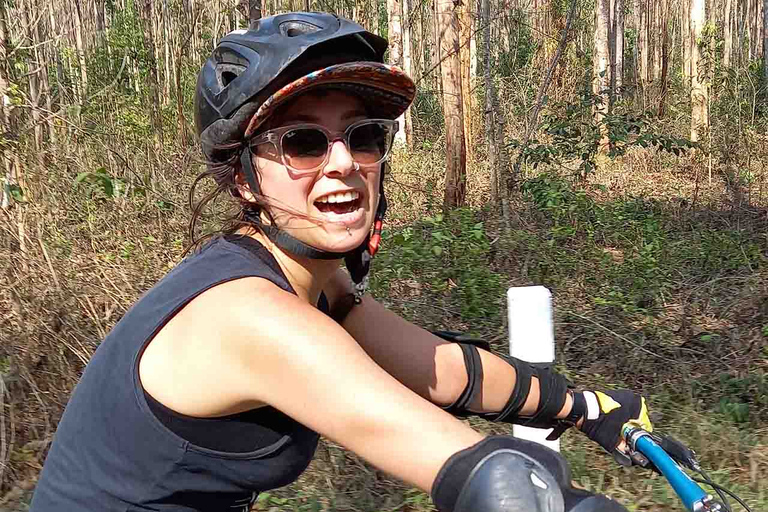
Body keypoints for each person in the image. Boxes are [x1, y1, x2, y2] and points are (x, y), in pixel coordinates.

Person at [30, 12, 653, 512]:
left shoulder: (321, 290)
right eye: (301, 141)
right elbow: (495, 483)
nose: (342, 162)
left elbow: (449, 371)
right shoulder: (249, 316)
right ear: (245, 180)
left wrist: (591, 408)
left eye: (363, 135)